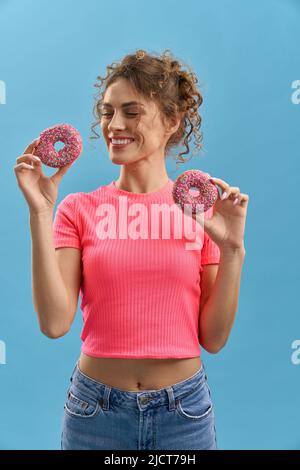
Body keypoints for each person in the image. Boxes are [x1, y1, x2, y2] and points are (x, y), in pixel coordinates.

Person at [13, 49, 249, 450]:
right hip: (94, 411)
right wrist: (40, 213)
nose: (114, 125)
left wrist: (233, 250)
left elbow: (213, 338)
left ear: (172, 122)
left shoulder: (202, 214)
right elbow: (54, 324)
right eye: (107, 112)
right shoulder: (78, 209)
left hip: (184, 413)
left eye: (132, 112)